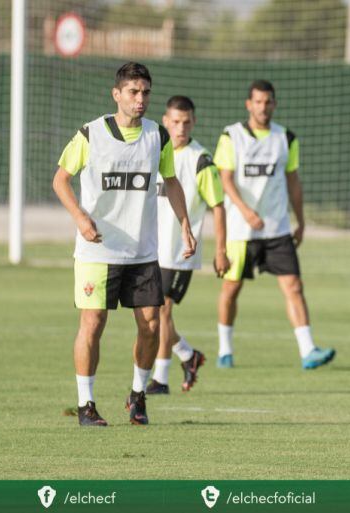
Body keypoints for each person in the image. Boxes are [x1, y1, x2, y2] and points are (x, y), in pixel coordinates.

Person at [52, 62, 196, 426]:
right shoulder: (91, 134)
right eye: (133, 92)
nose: (140, 99)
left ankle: (137, 395)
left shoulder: (157, 136)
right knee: (93, 322)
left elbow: (172, 182)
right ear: (116, 94)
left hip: (142, 251)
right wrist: (81, 218)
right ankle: (86, 404)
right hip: (97, 251)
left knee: (151, 324)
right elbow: (60, 180)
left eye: (146, 92)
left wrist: (186, 225)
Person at [214, 80, 335, 370]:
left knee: (294, 286)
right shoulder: (231, 136)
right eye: (258, 101)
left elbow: (293, 181)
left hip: (277, 228)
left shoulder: (285, 138)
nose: (263, 107)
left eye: (268, 102)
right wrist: (245, 211)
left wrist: (301, 220)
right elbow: (225, 179)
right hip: (242, 231)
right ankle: (225, 350)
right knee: (231, 288)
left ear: (274, 104)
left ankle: (308, 351)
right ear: (248, 104)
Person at [145, 95, 230, 395]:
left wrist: (221, 251)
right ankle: (187, 355)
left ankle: (162, 378)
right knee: (152, 313)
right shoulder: (153, 151)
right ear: (165, 121)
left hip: (180, 252)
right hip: (151, 249)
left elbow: (218, 206)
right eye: (175, 121)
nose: (180, 128)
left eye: (186, 122)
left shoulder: (201, 160)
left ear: (194, 122)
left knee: (161, 312)